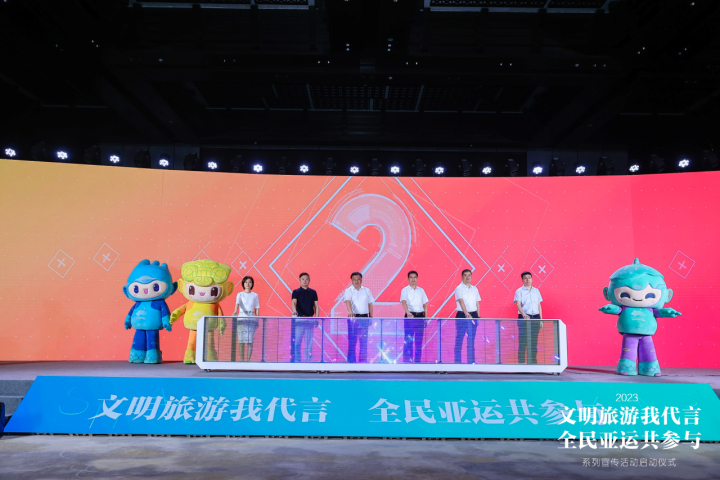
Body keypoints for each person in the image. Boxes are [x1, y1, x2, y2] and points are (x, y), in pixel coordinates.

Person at [343, 272, 374, 363]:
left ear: (361, 280)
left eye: (358, 279)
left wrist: (371, 316)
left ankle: (363, 364)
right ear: (351, 280)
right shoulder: (348, 290)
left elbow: (370, 304)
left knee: (363, 343)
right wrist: (350, 312)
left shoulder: (367, 290)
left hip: (364, 318)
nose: (356, 281)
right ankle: (351, 364)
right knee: (352, 343)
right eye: (354, 279)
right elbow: (348, 302)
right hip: (353, 318)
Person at [514, 271, 543, 364]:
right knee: (523, 341)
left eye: (529, 278)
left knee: (534, 342)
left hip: (536, 318)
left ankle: (533, 363)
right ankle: (521, 364)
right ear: (522, 280)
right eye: (525, 278)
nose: (528, 279)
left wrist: (541, 319)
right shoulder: (519, 291)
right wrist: (524, 314)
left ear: (532, 279)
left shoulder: (536, 291)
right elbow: (518, 304)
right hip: (524, 318)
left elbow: (539, 305)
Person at [400, 270, 429, 363]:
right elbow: (404, 302)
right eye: (411, 277)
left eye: (415, 277)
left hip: (420, 316)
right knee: (408, 340)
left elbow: (425, 305)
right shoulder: (405, 290)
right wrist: (408, 313)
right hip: (410, 317)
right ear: (408, 279)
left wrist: (425, 318)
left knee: (419, 341)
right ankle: (407, 362)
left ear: (417, 278)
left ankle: (417, 362)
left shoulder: (421, 290)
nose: (413, 279)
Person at [291, 272, 319, 363]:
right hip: (299, 320)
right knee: (297, 342)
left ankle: (308, 362)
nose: (305, 281)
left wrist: (316, 318)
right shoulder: (296, 292)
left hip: (310, 319)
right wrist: (294, 310)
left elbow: (316, 306)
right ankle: (297, 361)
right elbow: (294, 302)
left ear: (309, 281)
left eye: (306, 279)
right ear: (299, 280)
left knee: (309, 343)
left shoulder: (313, 292)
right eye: (303, 279)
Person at [454, 269, 481, 364]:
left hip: (473, 315)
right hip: (462, 315)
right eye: (465, 275)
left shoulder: (475, 289)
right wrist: (466, 313)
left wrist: (478, 316)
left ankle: (471, 363)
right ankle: (458, 363)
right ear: (462, 277)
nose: (467, 277)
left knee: (471, 340)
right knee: (459, 339)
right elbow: (461, 302)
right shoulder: (459, 288)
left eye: (469, 275)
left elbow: (477, 303)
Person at [233, 275, 260, 362]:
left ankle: (248, 361)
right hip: (241, 320)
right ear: (243, 284)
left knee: (249, 341)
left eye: (249, 282)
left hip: (251, 320)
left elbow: (257, 308)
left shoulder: (255, 295)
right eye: (246, 282)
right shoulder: (240, 294)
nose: (248, 284)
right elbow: (237, 303)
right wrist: (235, 311)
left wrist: (257, 319)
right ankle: (242, 361)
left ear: (252, 284)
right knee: (241, 341)